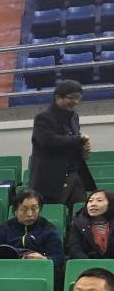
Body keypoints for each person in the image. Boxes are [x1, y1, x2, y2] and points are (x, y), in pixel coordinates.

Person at [29, 80, 96, 212]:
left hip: (75, 174)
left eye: (79, 98)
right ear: (58, 97)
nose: (76, 102)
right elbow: (48, 141)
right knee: (54, 213)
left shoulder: (74, 117)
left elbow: (72, 141)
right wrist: (78, 139)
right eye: (72, 98)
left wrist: (83, 147)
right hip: (52, 179)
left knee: (81, 213)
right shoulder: (43, 118)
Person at [0, 189, 65, 264]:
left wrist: (45, 260)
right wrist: (6, 263)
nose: (30, 214)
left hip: (38, 269)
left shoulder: (49, 229)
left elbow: (58, 257)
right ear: (15, 211)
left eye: (34, 208)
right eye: (24, 209)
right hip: (9, 270)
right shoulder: (5, 228)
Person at [67, 190, 114, 260]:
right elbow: (75, 249)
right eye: (90, 201)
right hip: (85, 264)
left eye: (99, 200)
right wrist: (89, 263)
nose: (93, 204)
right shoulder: (78, 223)